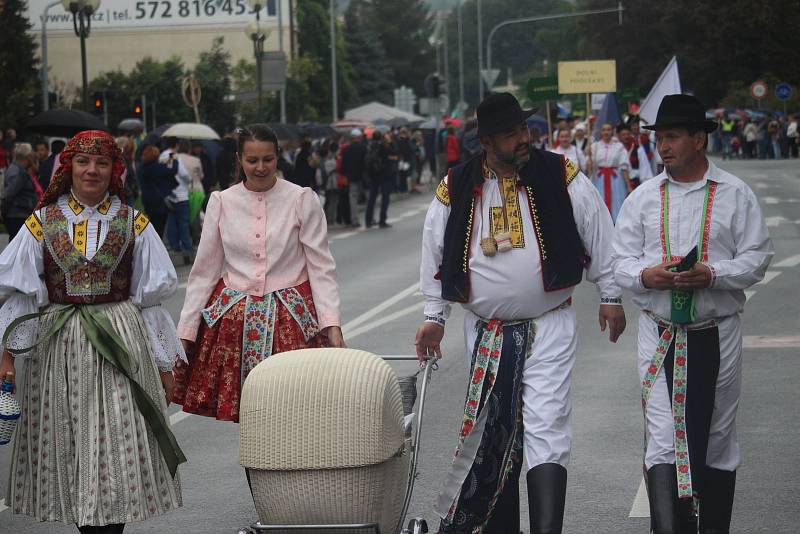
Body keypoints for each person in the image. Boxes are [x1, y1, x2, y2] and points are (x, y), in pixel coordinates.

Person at [416, 93, 625, 534]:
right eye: (512, 133)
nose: (524, 139)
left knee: (548, 423)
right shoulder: (455, 186)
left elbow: (598, 229)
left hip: (549, 325)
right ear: (488, 141)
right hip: (486, 333)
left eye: (524, 129)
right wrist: (435, 318)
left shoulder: (560, 174)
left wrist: (611, 294)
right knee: (494, 433)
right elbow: (434, 254)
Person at [0, 130, 186, 533]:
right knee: (71, 444)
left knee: (117, 441)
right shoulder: (42, 222)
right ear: (68, 168)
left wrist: (165, 365)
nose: (92, 170)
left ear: (114, 170)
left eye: (102, 163)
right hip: (60, 346)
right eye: (83, 162)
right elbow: (21, 296)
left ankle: (109, 525)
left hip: (121, 339)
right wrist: (9, 357)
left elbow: (151, 299)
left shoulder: (133, 222)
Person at [612, 95, 773, 534]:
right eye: (659, 138)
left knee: (718, 436)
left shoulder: (735, 195)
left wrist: (713, 274)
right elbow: (619, 262)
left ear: (699, 140)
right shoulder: (643, 198)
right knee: (662, 437)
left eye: (673, 137)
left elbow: (758, 257)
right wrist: (648, 276)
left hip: (716, 331)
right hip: (659, 331)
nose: (663, 147)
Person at [173, 124, 344, 423]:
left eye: (268, 159)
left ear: (278, 157)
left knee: (295, 410)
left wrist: (331, 323)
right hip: (234, 324)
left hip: (292, 321)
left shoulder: (302, 199)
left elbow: (321, 267)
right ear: (239, 159)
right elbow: (203, 273)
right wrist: (185, 333)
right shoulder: (221, 202)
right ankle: (260, 468)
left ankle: (292, 467)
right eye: (252, 160)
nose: (261, 167)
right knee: (251, 414)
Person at [590, 122, 632, 222]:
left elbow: (624, 166)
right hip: (599, 179)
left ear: (612, 131)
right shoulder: (594, 146)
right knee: (600, 201)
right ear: (601, 132)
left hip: (615, 179)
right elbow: (591, 167)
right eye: (604, 130)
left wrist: (628, 185)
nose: (606, 132)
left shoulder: (619, 147)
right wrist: (589, 162)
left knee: (616, 202)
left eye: (608, 130)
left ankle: (617, 227)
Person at [160, 138, 193, 263]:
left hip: (169, 195)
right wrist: (189, 179)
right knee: (183, 223)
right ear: (177, 145)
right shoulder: (173, 155)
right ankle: (187, 249)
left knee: (172, 223)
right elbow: (182, 173)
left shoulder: (161, 157)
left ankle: (175, 248)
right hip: (181, 193)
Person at [137, 144, 177, 238]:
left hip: (147, 200)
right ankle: (157, 245)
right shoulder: (158, 167)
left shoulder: (141, 168)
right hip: (159, 201)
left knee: (151, 224)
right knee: (160, 227)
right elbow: (173, 171)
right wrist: (175, 160)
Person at [2, 143, 40, 239]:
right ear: (28, 157)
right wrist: (4, 212)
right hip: (17, 215)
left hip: (19, 213)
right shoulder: (17, 172)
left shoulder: (19, 170)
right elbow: (9, 194)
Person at [365, 131, 396, 229]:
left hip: (373, 175)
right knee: (385, 198)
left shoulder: (369, 146)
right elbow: (394, 152)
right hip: (384, 174)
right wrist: (390, 141)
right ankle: (382, 221)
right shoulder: (384, 146)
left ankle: (368, 221)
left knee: (371, 199)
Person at [342, 128, 367, 228]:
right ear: (360, 137)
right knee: (369, 197)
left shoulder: (347, 149)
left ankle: (354, 220)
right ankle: (371, 218)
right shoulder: (364, 148)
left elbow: (344, 165)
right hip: (363, 177)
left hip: (351, 177)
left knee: (353, 199)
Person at [618, 122, 654, 188]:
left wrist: (644, 185)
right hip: (618, 182)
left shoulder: (638, 149)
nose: (626, 137)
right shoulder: (616, 150)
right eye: (623, 134)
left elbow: (644, 168)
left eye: (628, 134)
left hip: (635, 181)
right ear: (619, 136)